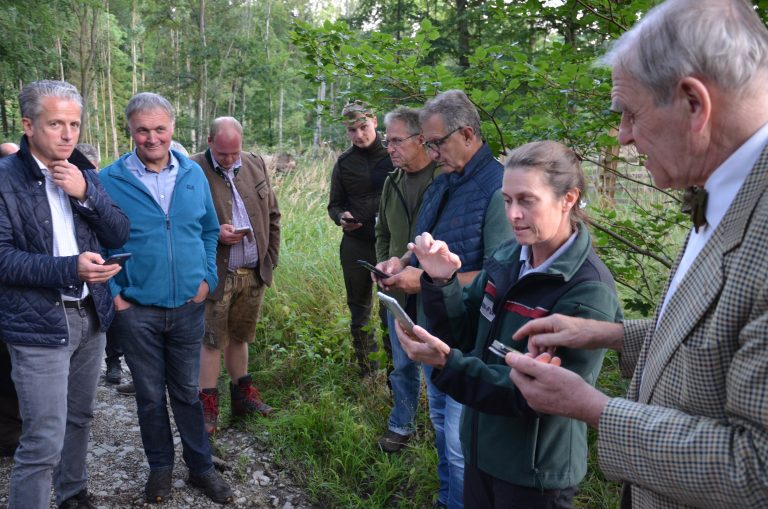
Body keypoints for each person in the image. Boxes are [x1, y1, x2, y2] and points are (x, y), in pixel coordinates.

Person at [504, 1, 768, 508]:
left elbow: (757, 470)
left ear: (694, 103)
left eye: (630, 113)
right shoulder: (727, 190)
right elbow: (717, 336)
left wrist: (595, 408)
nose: (622, 135)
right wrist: (610, 334)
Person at [396, 141, 621, 508]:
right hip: (480, 452)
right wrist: (441, 283)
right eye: (506, 200)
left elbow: (535, 394)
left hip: (532, 475)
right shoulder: (508, 256)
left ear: (568, 199)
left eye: (527, 200)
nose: (513, 214)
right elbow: (464, 333)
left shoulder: (586, 289)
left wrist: (448, 364)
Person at [377, 90, 513, 509]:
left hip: (470, 340)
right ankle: (446, 500)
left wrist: (429, 282)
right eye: (428, 144)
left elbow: (501, 274)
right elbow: (421, 246)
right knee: (440, 425)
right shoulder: (443, 184)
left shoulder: (499, 190)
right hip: (436, 332)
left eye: (437, 143)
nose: (431, 152)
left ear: (468, 134)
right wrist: (400, 264)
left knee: (458, 441)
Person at [0, 80, 129, 509]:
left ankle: (73, 495)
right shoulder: (5, 181)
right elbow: (3, 260)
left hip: (90, 316)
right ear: (28, 125)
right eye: (56, 123)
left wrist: (86, 193)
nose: (68, 134)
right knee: (41, 439)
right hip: (37, 324)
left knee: (80, 418)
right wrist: (69, 267)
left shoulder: (83, 173)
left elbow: (118, 231)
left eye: (73, 123)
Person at [99, 92, 232, 504]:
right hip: (137, 311)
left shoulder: (192, 174)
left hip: (189, 307)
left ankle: (201, 469)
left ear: (172, 128)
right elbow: (96, 243)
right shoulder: (108, 180)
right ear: (131, 131)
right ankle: (160, 469)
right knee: (151, 396)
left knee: (187, 392)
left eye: (160, 128)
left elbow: (209, 230)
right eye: (143, 129)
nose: (152, 137)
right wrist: (117, 295)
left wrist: (207, 279)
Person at [191, 117, 281, 434]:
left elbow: (272, 213)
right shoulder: (193, 169)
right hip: (217, 274)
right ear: (210, 140)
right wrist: (216, 233)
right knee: (212, 340)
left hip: (253, 272)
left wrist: (270, 258)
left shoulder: (255, 163)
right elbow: (184, 223)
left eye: (234, 153)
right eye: (223, 154)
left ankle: (243, 397)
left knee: (241, 336)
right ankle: (207, 407)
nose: (229, 160)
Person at [375, 106, 438, 453]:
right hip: (396, 288)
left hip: (434, 287)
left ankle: (440, 427)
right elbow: (382, 232)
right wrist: (383, 263)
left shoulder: (443, 178)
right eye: (388, 141)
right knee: (401, 363)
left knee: (435, 361)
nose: (390, 148)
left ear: (420, 140)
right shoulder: (391, 182)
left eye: (397, 141)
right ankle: (402, 424)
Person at [327, 100, 394, 377]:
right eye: (352, 130)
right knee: (359, 310)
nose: (359, 134)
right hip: (356, 243)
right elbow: (334, 204)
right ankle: (368, 371)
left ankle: (395, 371)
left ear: (375, 122)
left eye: (363, 127)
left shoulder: (395, 153)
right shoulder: (344, 163)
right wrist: (341, 217)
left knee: (390, 310)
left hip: (390, 245)